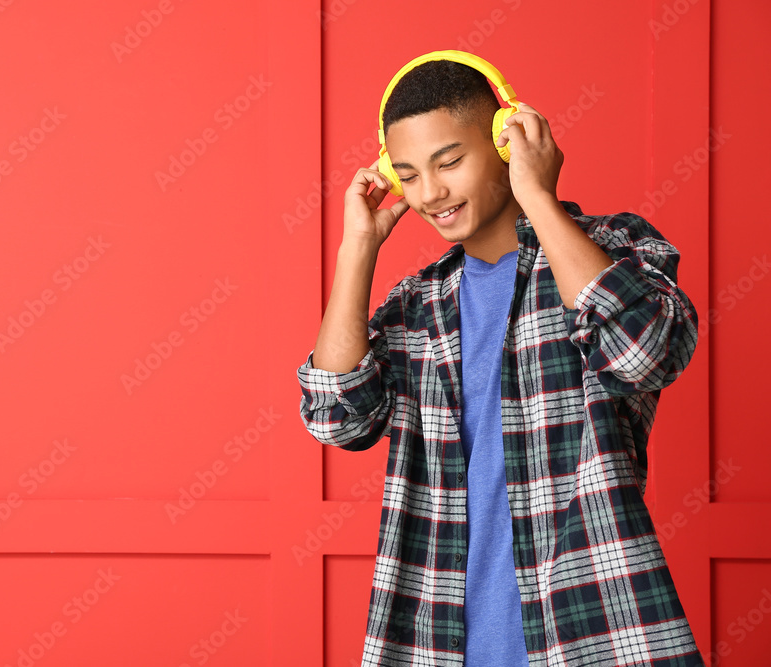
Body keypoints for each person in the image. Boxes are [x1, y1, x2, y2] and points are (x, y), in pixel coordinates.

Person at [295, 55, 705, 666]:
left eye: (449, 162)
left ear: (506, 142)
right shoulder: (416, 306)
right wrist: (359, 248)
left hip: (595, 634)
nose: (430, 193)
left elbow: (645, 354)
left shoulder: (614, 250)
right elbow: (335, 418)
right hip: (434, 642)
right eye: (407, 174)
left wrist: (538, 197)